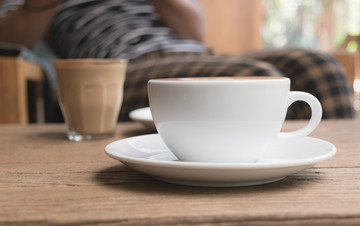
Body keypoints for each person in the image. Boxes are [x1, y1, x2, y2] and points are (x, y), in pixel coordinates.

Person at [0, 0, 355, 121]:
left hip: (195, 55)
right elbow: (12, 38)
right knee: (255, 78)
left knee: (320, 66)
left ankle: (347, 179)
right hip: (120, 66)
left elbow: (195, 30)